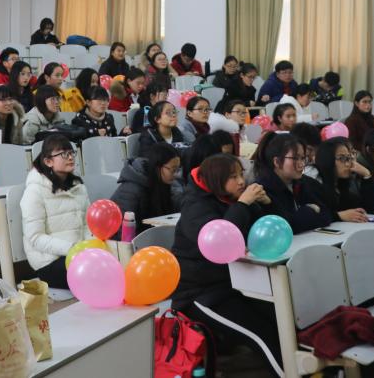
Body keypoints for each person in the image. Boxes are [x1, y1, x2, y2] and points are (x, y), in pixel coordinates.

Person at [171, 155, 282, 377]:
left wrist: (267, 204)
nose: (241, 181)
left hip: (238, 284)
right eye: (233, 177)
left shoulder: (230, 198)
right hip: (199, 293)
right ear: (216, 180)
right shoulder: (195, 207)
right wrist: (242, 204)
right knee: (262, 334)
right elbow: (221, 241)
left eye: (241, 174)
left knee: (281, 320)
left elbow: (270, 231)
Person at [20, 135, 91, 288]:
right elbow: (35, 238)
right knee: (93, 275)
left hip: (78, 253)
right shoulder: (34, 191)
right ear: (48, 161)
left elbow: (88, 225)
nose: (70, 157)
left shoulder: (79, 187)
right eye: (63, 154)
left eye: (71, 153)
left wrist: (89, 247)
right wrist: (72, 248)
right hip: (48, 261)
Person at [255, 134, 331, 233]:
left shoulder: (300, 182)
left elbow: (326, 215)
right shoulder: (263, 189)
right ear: (277, 162)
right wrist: (309, 210)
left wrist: (298, 217)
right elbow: (286, 225)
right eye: (295, 158)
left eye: (303, 158)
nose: (301, 164)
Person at [111, 143, 182, 237]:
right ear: (158, 167)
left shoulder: (166, 182)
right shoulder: (131, 189)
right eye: (173, 170)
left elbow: (179, 201)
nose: (176, 174)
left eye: (178, 169)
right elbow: (124, 232)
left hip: (151, 237)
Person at [305, 138, 372, 222]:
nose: (348, 164)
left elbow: (369, 210)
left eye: (348, 158)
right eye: (342, 158)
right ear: (327, 159)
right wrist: (339, 216)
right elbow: (314, 217)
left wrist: (367, 175)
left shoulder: (340, 183)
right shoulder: (314, 181)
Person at [343, 90, 374, 155]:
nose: (368, 105)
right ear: (356, 103)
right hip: (360, 153)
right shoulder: (351, 121)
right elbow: (351, 143)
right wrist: (369, 149)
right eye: (364, 102)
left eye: (370, 102)